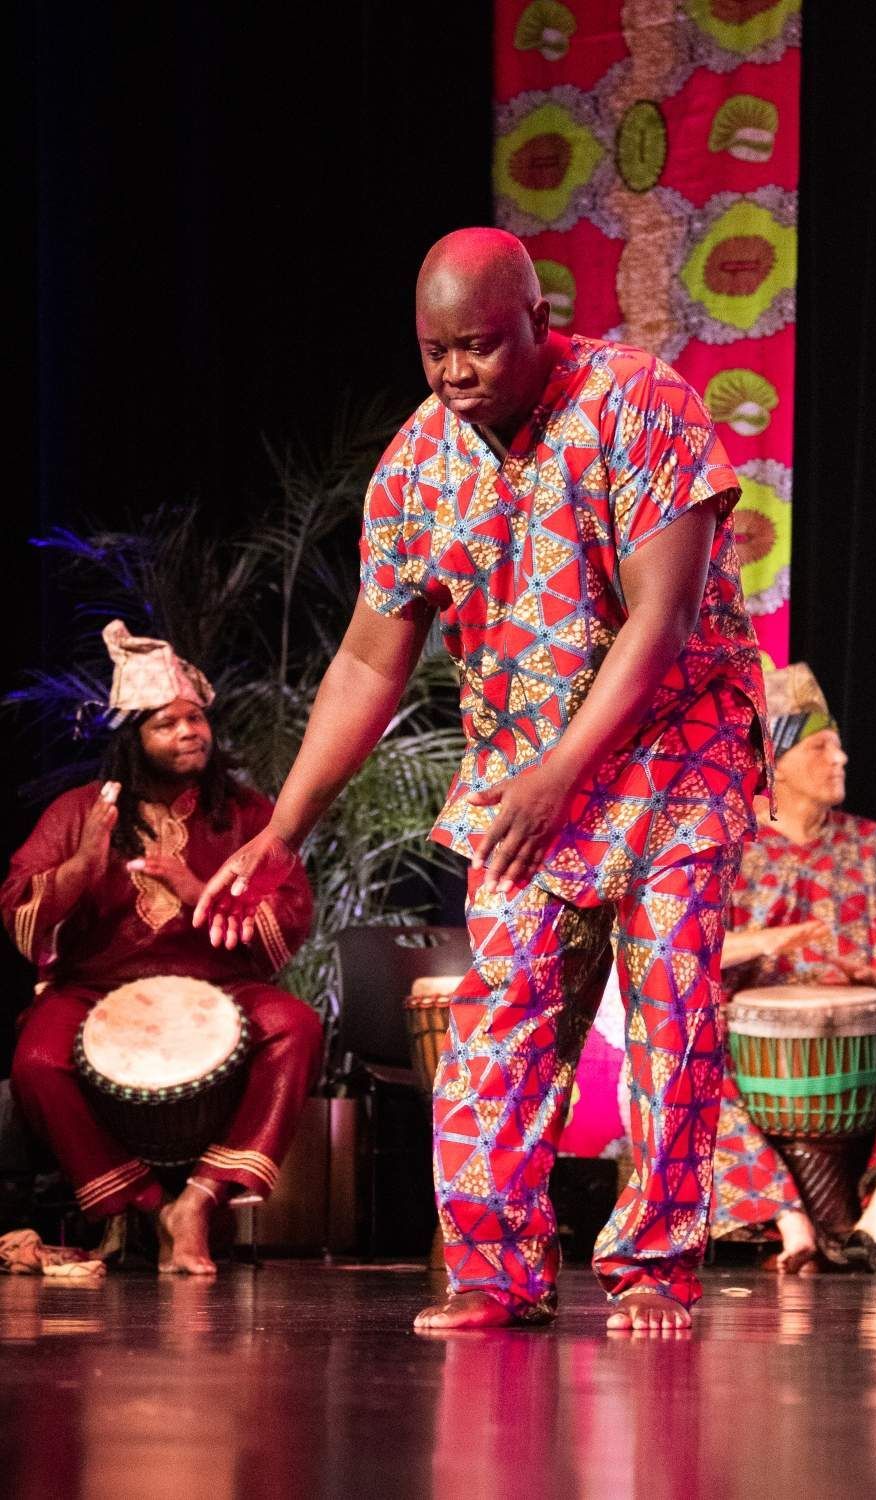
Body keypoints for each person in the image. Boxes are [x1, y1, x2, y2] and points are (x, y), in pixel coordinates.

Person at [195, 227, 772, 1332]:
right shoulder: (416, 466)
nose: (457, 374)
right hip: (525, 777)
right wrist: (283, 831)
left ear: (539, 322)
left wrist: (566, 768)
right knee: (498, 1021)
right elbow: (370, 658)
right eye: (434, 352)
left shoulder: (638, 403)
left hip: (673, 754)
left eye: (481, 348)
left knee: (672, 1017)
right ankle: (498, 1275)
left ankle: (654, 1267)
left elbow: (666, 616)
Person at [2, 620, 322, 1274]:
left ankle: (200, 1200)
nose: (189, 732)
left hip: (219, 987)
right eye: (167, 724)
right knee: (35, 1060)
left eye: (196, 718)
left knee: (296, 1025)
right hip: (93, 992)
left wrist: (199, 888)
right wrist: (81, 867)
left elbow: (290, 906)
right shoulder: (80, 812)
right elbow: (17, 902)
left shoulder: (245, 814)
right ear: (132, 741)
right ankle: (148, 1207)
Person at [711, 662, 876, 1272]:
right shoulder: (731, 847)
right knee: (686, 1046)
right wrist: (775, 937)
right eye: (821, 748)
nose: (839, 760)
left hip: (861, 1017)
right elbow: (698, 948)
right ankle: (788, 1219)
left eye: (839, 748)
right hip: (750, 1028)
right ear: (778, 763)